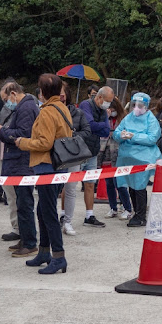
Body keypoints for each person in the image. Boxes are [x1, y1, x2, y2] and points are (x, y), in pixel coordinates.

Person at [16, 74, 72, 274]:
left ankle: (58, 256)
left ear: (43, 92)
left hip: (47, 166)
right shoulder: (62, 107)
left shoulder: (48, 112)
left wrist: (22, 142)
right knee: (43, 210)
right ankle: (44, 252)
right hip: (59, 165)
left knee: (48, 212)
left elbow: (44, 143)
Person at [0, 80, 39, 255]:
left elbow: (23, 135)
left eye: (6, 99)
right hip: (19, 162)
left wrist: (2, 131)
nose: (6, 104)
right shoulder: (25, 106)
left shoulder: (26, 108)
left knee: (25, 204)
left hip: (22, 162)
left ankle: (29, 243)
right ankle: (25, 239)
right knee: (21, 203)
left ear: (13, 93)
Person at [113, 92, 162, 227]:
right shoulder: (128, 118)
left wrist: (133, 136)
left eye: (140, 105)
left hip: (143, 158)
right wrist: (121, 135)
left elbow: (152, 138)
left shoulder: (150, 119)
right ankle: (136, 213)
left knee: (139, 186)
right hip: (127, 158)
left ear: (146, 106)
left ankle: (141, 216)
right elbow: (117, 132)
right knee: (131, 186)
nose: (137, 108)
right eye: (135, 105)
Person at [58, 82, 93, 236]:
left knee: (71, 189)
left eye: (63, 91)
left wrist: (71, 138)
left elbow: (87, 130)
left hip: (72, 155)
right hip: (54, 154)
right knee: (53, 189)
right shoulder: (47, 111)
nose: (61, 94)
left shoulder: (77, 113)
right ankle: (53, 221)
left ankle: (68, 222)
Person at [78, 86, 116, 228]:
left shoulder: (103, 110)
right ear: (99, 97)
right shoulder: (85, 105)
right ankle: (64, 215)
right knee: (69, 186)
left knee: (90, 184)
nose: (108, 105)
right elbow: (89, 125)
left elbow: (106, 130)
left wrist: (98, 125)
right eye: (107, 101)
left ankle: (89, 215)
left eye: (110, 102)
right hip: (79, 150)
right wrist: (100, 125)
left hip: (93, 151)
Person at [100, 97, 133, 220]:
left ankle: (127, 208)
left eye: (112, 109)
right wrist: (105, 117)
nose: (110, 111)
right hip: (105, 152)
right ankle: (113, 208)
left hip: (119, 153)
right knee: (109, 182)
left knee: (119, 183)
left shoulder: (124, 119)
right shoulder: (104, 118)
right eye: (108, 108)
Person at [0, 83, 14, 204]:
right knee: (1, 168)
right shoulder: (4, 106)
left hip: (4, 142)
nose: (4, 101)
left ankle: (0, 193)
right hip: (3, 142)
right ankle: (2, 194)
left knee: (1, 168)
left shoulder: (21, 108)